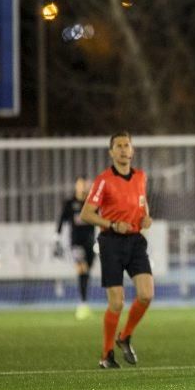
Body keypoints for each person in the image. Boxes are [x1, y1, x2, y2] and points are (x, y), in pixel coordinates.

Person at [80, 132, 154, 369]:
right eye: (118, 146)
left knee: (146, 294)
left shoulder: (141, 176)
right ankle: (106, 354)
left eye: (126, 145)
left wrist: (146, 218)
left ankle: (124, 337)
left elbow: (142, 205)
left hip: (135, 240)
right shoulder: (103, 180)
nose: (123, 149)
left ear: (132, 151)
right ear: (111, 152)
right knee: (116, 303)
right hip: (111, 241)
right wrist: (112, 224)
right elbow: (86, 213)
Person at [56, 176, 96, 319]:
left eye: (85, 184)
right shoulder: (70, 203)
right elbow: (61, 222)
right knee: (82, 269)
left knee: (86, 272)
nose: (83, 187)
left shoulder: (92, 203)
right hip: (76, 243)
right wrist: (57, 240)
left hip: (90, 243)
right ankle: (82, 305)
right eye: (81, 184)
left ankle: (84, 303)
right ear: (76, 186)